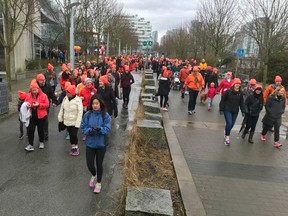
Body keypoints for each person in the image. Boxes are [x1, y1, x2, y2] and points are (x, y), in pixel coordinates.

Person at [80, 95, 111, 193]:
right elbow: (83, 127)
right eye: (93, 103)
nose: (95, 105)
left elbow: (108, 128)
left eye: (97, 103)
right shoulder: (87, 115)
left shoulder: (105, 115)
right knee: (90, 164)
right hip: (90, 144)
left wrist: (100, 129)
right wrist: (90, 131)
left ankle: (98, 182)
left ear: (100, 104)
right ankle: (94, 175)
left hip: (101, 144)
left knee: (99, 164)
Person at [24, 80, 49, 151]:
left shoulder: (43, 95)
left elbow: (47, 104)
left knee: (40, 130)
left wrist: (39, 104)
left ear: (38, 89)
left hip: (41, 116)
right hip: (32, 116)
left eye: (35, 90)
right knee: (30, 130)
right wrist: (28, 105)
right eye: (32, 90)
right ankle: (30, 144)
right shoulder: (28, 95)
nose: (33, 91)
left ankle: (41, 142)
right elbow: (25, 103)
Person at [58, 85, 83, 155]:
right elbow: (61, 109)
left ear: (72, 93)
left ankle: (76, 147)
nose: (67, 94)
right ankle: (73, 147)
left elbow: (80, 112)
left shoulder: (78, 100)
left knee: (73, 134)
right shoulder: (65, 99)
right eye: (66, 92)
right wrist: (60, 119)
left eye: (68, 93)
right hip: (67, 120)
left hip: (74, 121)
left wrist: (78, 123)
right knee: (70, 135)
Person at [221, 78, 245, 146]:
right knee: (229, 123)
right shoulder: (228, 91)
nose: (237, 85)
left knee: (231, 125)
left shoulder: (240, 93)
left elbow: (241, 103)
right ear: (233, 84)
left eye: (239, 84)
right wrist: (221, 109)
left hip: (235, 111)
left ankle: (226, 131)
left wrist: (243, 111)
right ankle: (227, 138)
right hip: (227, 110)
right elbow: (223, 100)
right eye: (236, 83)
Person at [36, 74, 57, 141]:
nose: (43, 82)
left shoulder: (48, 86)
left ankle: (45, 134)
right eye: (41, 80)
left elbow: (52, 94)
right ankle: (40, 133)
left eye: (44, 80)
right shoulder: (35, 86)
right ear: (38, 81)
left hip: (45, 105)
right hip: (37, 105)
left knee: (45, 120)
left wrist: (54, 101)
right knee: (38, 120)